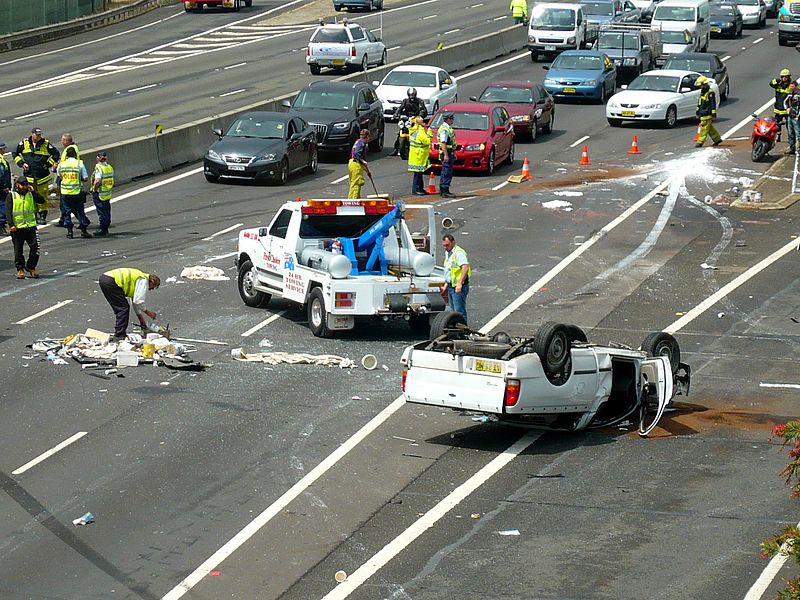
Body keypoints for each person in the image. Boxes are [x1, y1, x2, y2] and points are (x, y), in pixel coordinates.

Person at [99, 268, 160, 341]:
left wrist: (142, 321)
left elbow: (135, 302)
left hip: (105, 279)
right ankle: (119, 336)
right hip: (111, 281)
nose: (151, 289)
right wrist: (148, 312)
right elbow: (138, 301)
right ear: (152, 282)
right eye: (152, 287)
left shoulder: (139, 278)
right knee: (123, 309)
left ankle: (119, 334)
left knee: (122, 308)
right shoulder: (143, 280)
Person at [12, 128, 59, 225]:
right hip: (29, 176)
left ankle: (43, 215)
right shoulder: (24, 143)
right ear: (32, 134)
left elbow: (56, 154)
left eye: (39, 135)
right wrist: (21, 163)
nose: (38, 136)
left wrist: (48, 164)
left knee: (42, 196)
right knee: (30, 195)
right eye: (36, 135)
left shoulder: (45, 144)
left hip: (42, 176)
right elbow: (15, 154)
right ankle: (35, 214)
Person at [5, 176, 43, 280]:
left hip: (30, 227)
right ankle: (20, 269)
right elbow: (8, 212)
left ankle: (31, 267)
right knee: (18, 250)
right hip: (18, 228)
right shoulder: (11, 195)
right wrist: (11, 225)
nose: (25, 186)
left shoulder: (30, 194)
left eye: (26, 184)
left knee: (36, 248)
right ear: (17, 184)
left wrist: (34, 191)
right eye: (23, 184)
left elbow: (42, 201)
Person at [57, 146, 92, 239]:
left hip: (65, 192)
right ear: (75, 155)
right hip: (76, 192)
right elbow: (85, 178)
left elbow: (59, 175)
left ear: (67, 155)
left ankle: (69, 232)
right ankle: (84, 231)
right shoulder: (79, 164)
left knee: (67, 212)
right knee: (80, 211)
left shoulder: (62, 164)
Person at [441, 233, 471, 322]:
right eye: (444, 245)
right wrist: (445, 286)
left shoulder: (458, 253)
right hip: (451, 286)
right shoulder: (448, 253)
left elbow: (465, 267)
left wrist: (459, 284)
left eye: (447, 245)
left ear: (453, 242)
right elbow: (450, 271)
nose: (445, 247)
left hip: (458, 287)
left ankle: (463, 330)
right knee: (452, 312)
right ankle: (455, 330)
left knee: (459, 311)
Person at [391, 88, 427, 156]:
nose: (411, 97)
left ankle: (423, 148)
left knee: (420, 132)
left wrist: (420, 115)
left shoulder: (420, 101)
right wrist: (396, 114)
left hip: (416, 119)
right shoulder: (405, 101)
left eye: (413, 95)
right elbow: (400, 108)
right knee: (401, 132)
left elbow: (423, 109)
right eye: (410, 95)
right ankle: (396, 149)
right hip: (407, 119)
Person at [408, 116, 432, 196]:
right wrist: (429, 132)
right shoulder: (421, 132)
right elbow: (427, 141)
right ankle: (416, 190)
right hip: (419, 155)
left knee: (418, 174)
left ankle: (420, 188)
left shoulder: (412, 130)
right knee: (418, 174)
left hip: (414, 155)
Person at [695, 76, 722, 148]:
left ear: (704, 84)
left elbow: (713, 104)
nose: (700, 87)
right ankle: (717, 139)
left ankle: (700, 141)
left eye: (701, 86)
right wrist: (697, 112)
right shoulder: (702, 92)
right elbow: (700, 103)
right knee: (709, 128)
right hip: (702, 113)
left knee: (704, 128)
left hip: (707, 114)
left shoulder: (710, 93)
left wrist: (713, 114)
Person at [92, 151, 114, 236]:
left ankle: (103, 229)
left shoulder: (99, 168)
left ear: (98, 158)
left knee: (101, 212)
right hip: (107, 192)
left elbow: (97, 181)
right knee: (107, 211)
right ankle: (106, 228)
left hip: (100, 192)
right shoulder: (109, 167)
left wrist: (94, 189)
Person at [770, 69, 792, 142]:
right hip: (778, 109)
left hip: (787, 110)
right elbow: (771, 83)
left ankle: (790, 138)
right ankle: (778, 137)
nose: (784, 78)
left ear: (788, 77)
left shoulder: (791, 86)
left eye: (786, 77)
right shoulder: (778, 85)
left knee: (789, 125)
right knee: (777, 125)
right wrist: (777, 80)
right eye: (783, 77)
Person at [438, 113, 456, 198]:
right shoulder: (444, 130)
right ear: (448, 119)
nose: (453, 120)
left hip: (449, 152)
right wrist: (446, 155)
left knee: (446, 171)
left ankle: (443, 189)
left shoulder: (447, 128)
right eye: (452, 118)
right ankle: (445, 190)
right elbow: (443, 143)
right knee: (447, 172)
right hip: (447, 152)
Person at [348, 129, 370, 199]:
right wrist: (362, 161)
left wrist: (367, 171)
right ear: (367, 137)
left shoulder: (357, 141)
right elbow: (357, 153)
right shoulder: (362, 142)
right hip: (356, 164)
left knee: (353, 184)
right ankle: (353, 203)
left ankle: (351, 200)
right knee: (357, 183)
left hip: (351, 163)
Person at [785, 81, 800, 155]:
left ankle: (798, 149)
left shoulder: (799, 95)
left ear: (796, 86)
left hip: (796, 118)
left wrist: (798, 116)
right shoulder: (790, 94)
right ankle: (792, 149)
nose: (790, 88)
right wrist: (787, 108)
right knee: (791, 134)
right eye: (790, 86)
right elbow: (785, 102)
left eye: (792, 86)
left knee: (798, 134)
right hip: (790, 117)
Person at [0, 142, 11, 236]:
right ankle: (1, 226)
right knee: (3, 206)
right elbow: (1, 175)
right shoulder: (1, 161)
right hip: (1, 189)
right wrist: (5, 186)